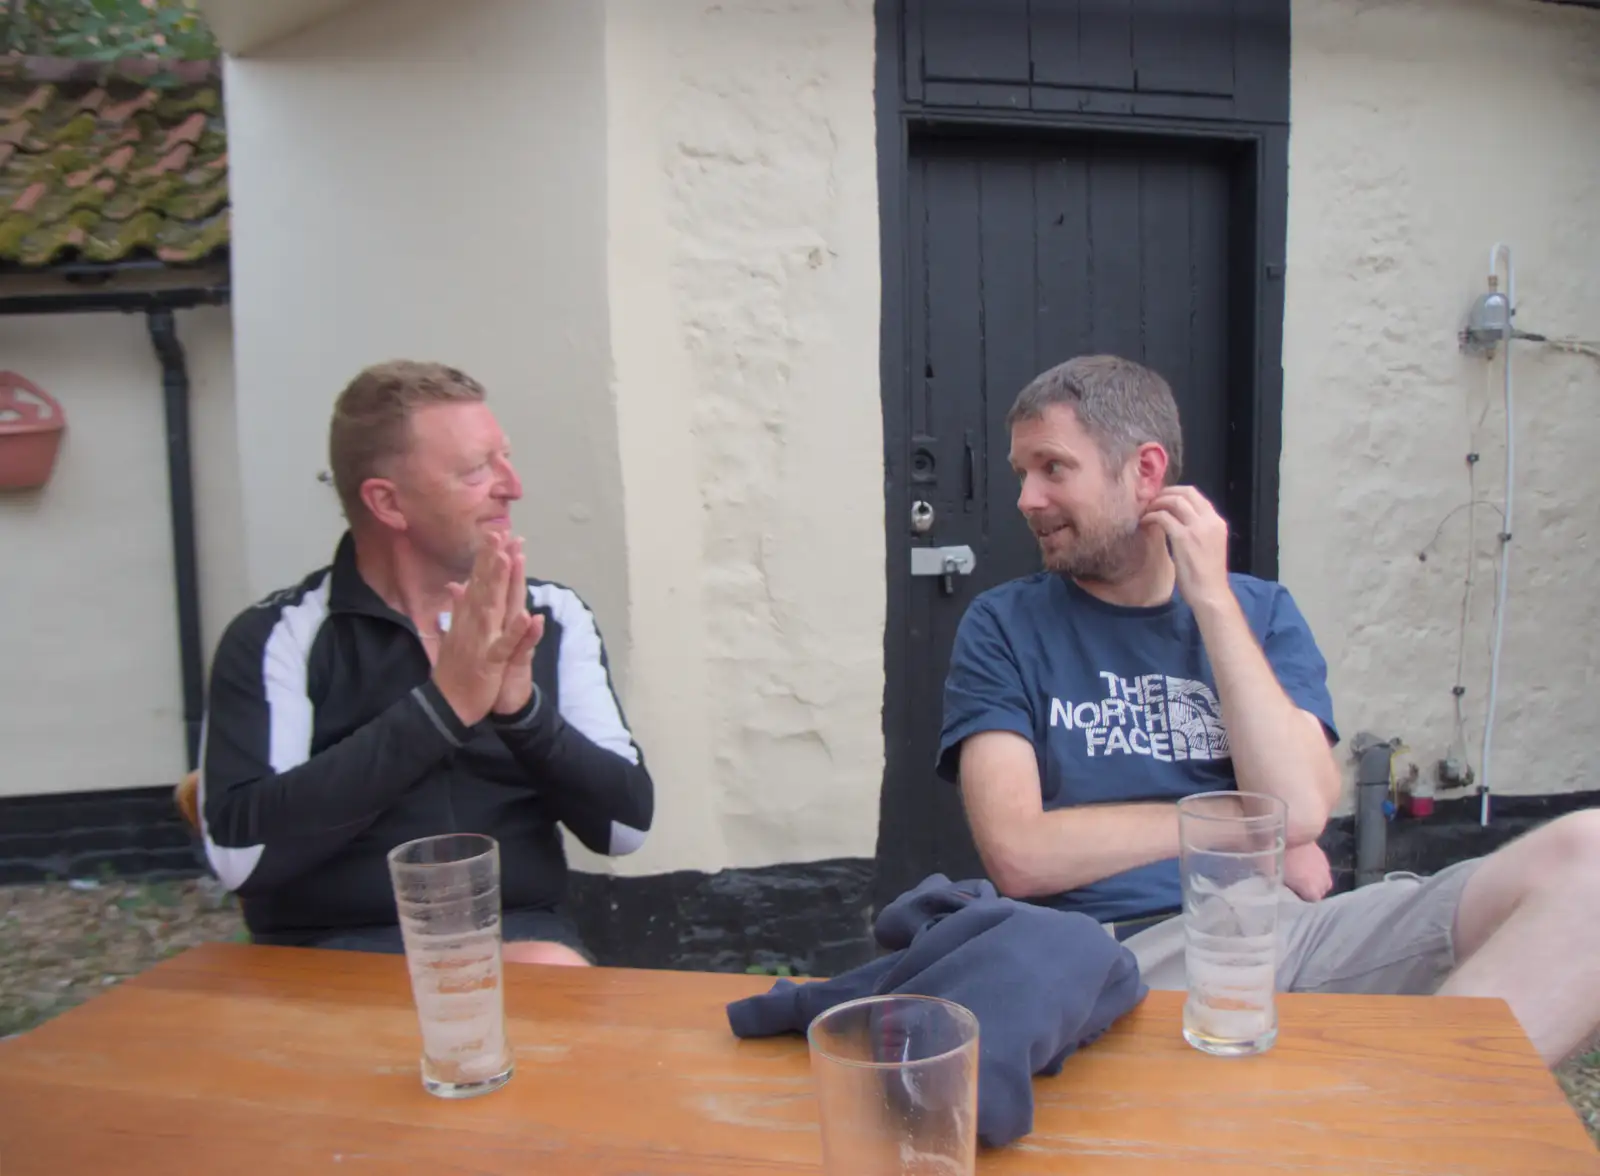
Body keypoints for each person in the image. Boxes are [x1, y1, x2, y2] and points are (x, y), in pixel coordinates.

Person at [937, 353, 1600, 1066]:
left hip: (1281, 932)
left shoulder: (1261, 611)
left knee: (1588, 858)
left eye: (1053, 468)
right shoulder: (1003, 625)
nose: (1026, 499)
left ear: (1147, 472)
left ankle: (1431, 1123)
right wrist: (1236, 821)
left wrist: (1214, 602)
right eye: (1021, 474)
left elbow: (1301, 809)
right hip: (1121, 954)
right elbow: (1020, 854)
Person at [198, 360, 654, 966]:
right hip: (331, 956)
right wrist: (443, 709)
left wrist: (522, 714)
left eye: (505, 458)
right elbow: (241, 855)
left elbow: (625, 829)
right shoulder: (280, 635)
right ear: (388, 503)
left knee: (546, 977)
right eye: (476, 471)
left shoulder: (552, 616)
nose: (512, 487)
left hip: (517, 941)